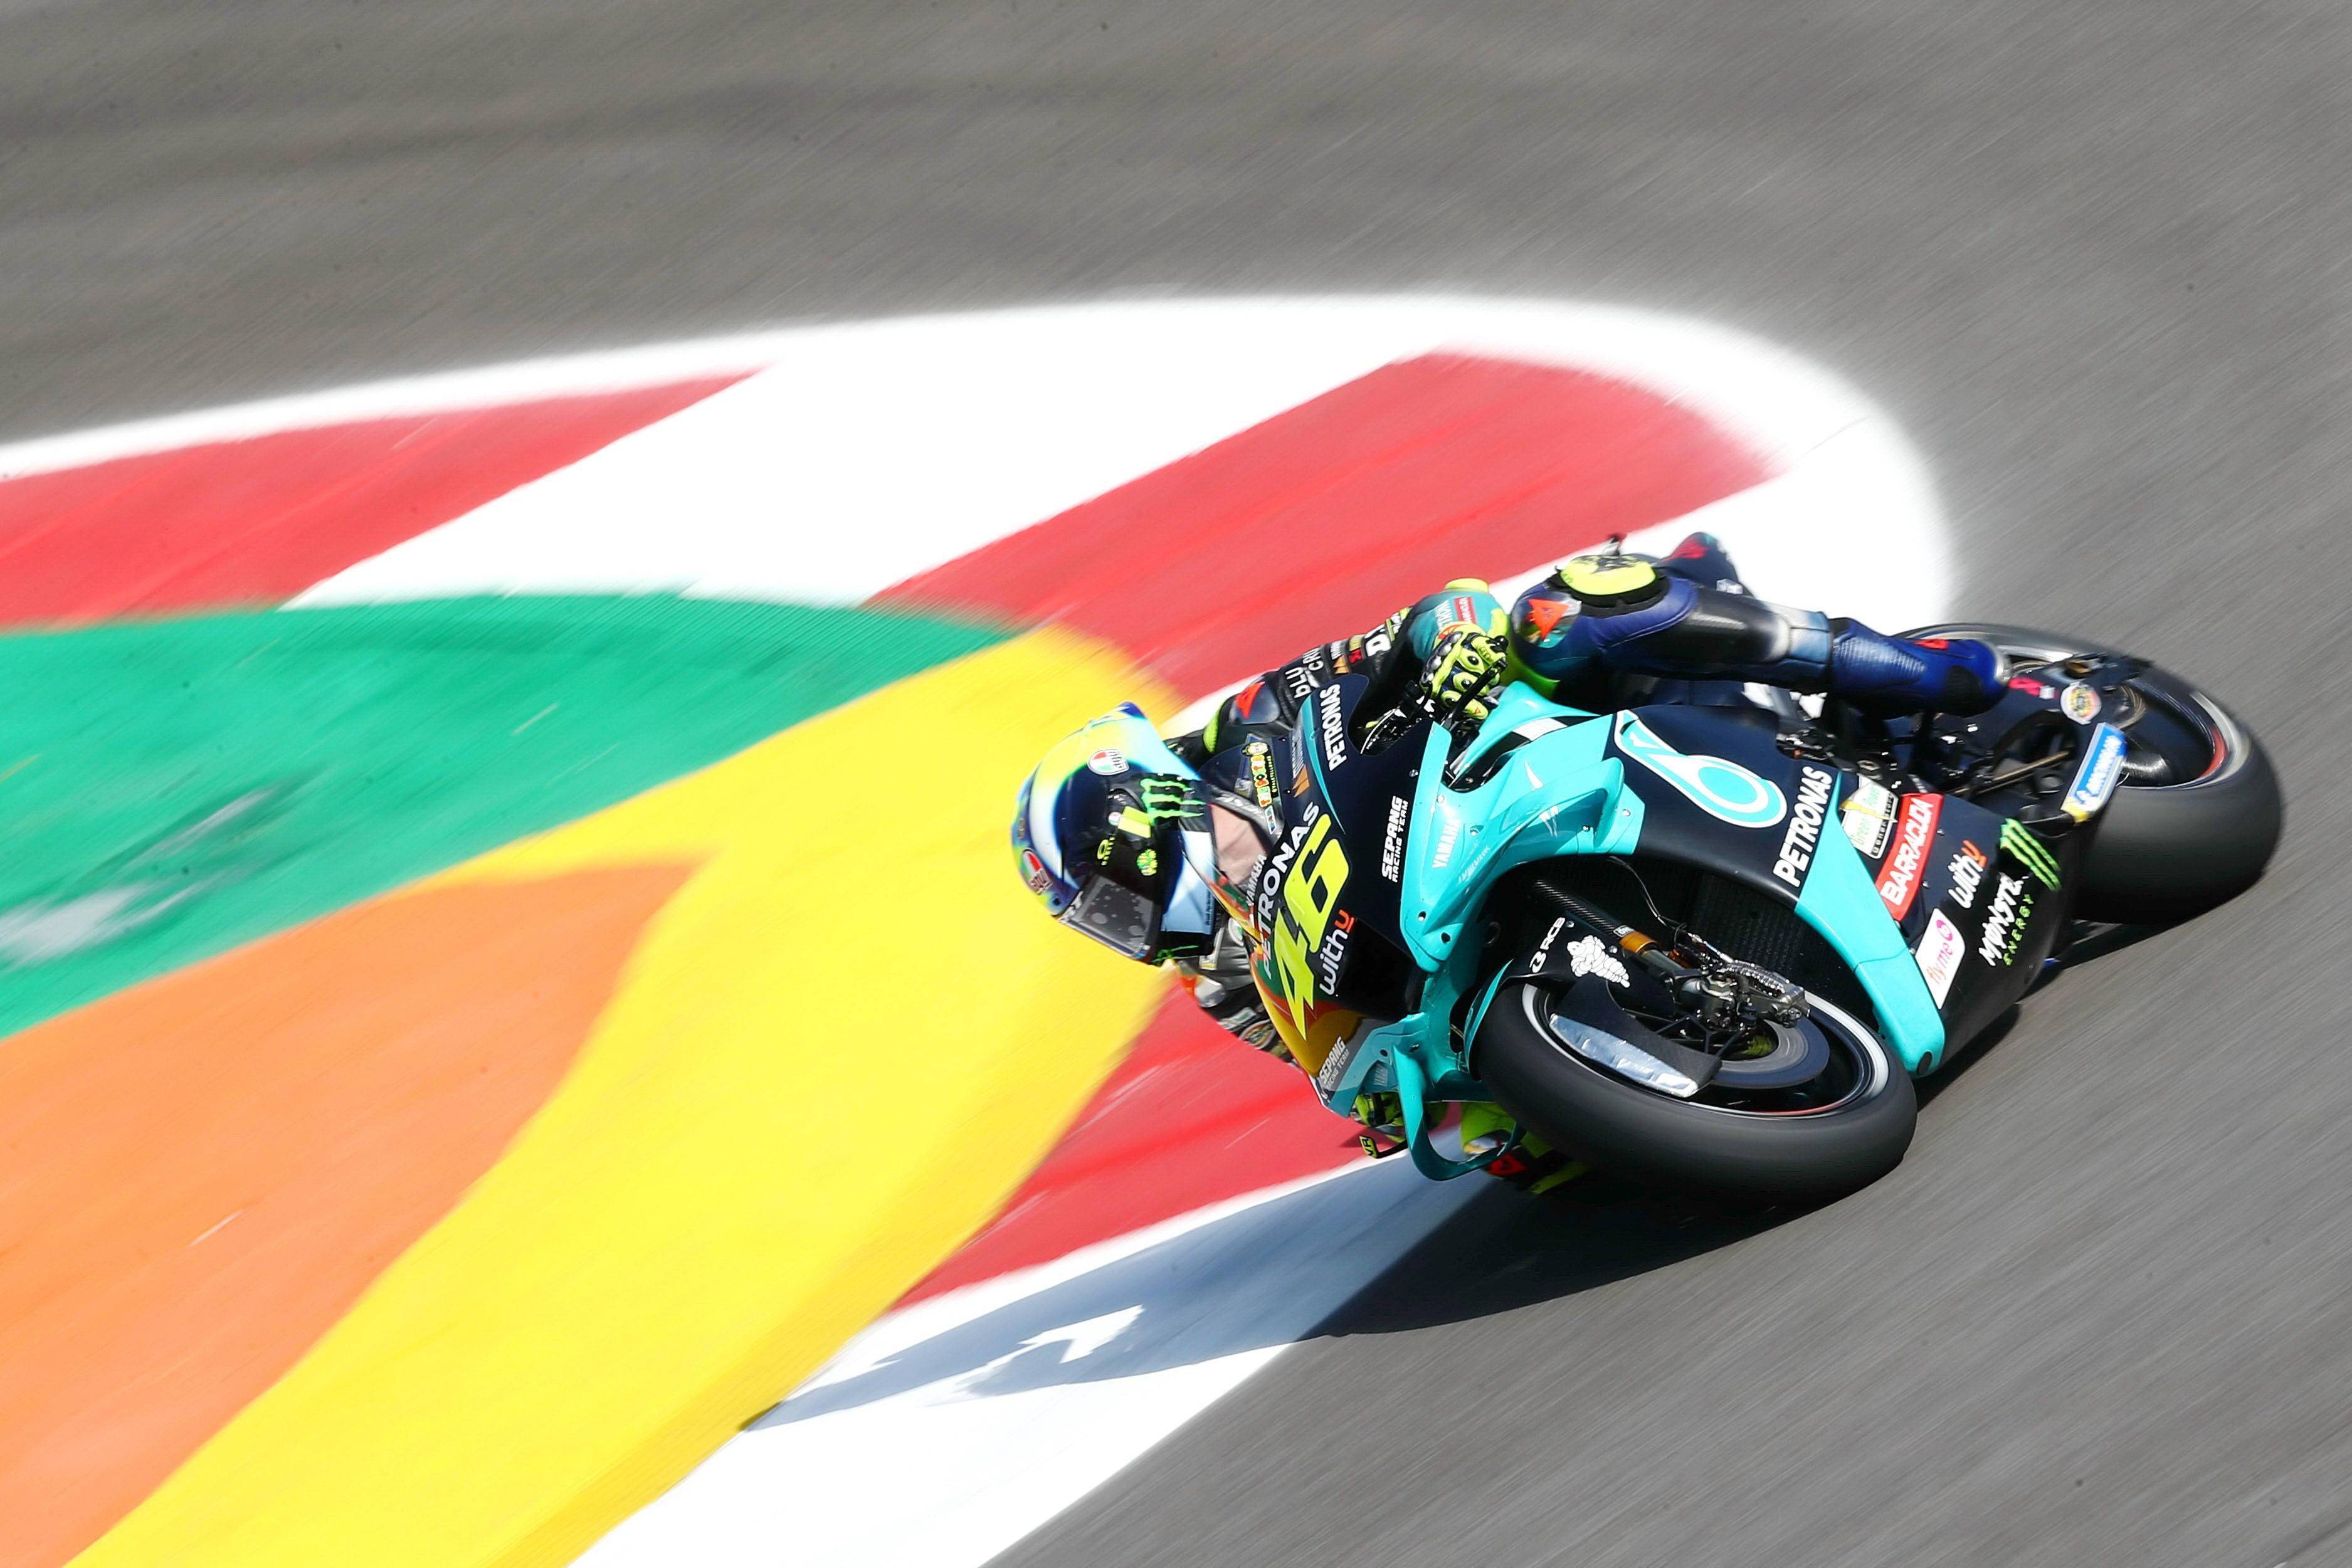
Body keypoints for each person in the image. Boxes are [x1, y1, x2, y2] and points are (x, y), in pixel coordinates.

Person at [1009, 534, 2001, 1173]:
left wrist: (1454, 644)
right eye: (1103, 924)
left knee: (1562, 614)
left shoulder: (1251, 721)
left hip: (1519, 753)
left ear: (1144, 815)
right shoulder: (1219, 977)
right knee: (1508, 1155)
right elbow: (1337, 1052)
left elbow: (1423, 620)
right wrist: (1395, 1103)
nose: (1128, 928)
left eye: (1110, 899)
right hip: (1456, 922)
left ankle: (1918, 671)